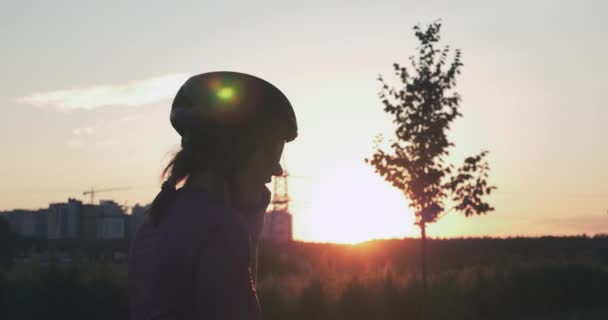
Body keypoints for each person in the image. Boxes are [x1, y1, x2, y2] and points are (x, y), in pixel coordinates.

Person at [128, 71, 298, 320]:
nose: (275, 171)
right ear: (235, 155)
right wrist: (245, 223)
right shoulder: (222, 230)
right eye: (269, 157)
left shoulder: (154, 221)